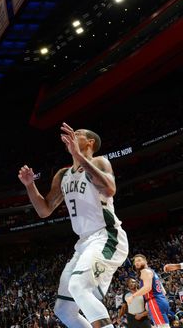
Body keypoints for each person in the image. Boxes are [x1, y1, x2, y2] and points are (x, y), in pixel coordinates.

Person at [18, 124, 129, 328]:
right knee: (63, 310)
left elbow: (110, 189)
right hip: (84, 242)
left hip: (106, 236)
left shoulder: (99, 162)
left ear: (90, 142)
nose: (72, 135)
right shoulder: (63, 175)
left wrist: (79, 156)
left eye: (77, 134)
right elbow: (44, 210)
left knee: (79, 287)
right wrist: (30, 186)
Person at [127, 255, 171, 328]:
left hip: (155, 302)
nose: (136, 263)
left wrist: (133, 296)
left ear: (145, 261)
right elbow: (163, 291)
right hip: (161, 301)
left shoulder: (144, 271)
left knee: (163, 326)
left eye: (139, 260)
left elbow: (147, 287)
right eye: (135, 262)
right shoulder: (152, 272)